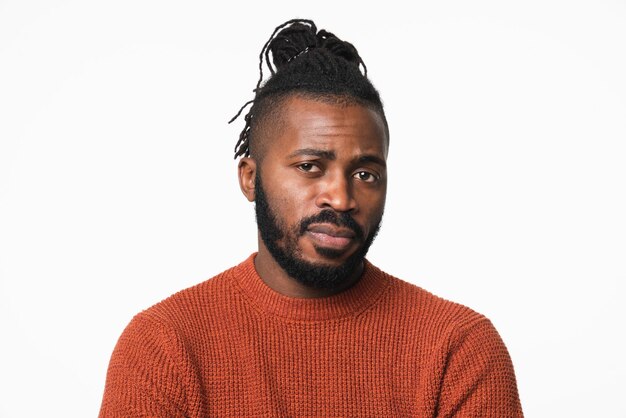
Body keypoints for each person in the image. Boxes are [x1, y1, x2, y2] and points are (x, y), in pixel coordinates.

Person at [99, 18, 523, 417]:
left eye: (365, 173)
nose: (341, 198)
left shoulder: (458, 348)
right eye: (309, 167)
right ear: (250, 178)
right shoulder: (164, 346)